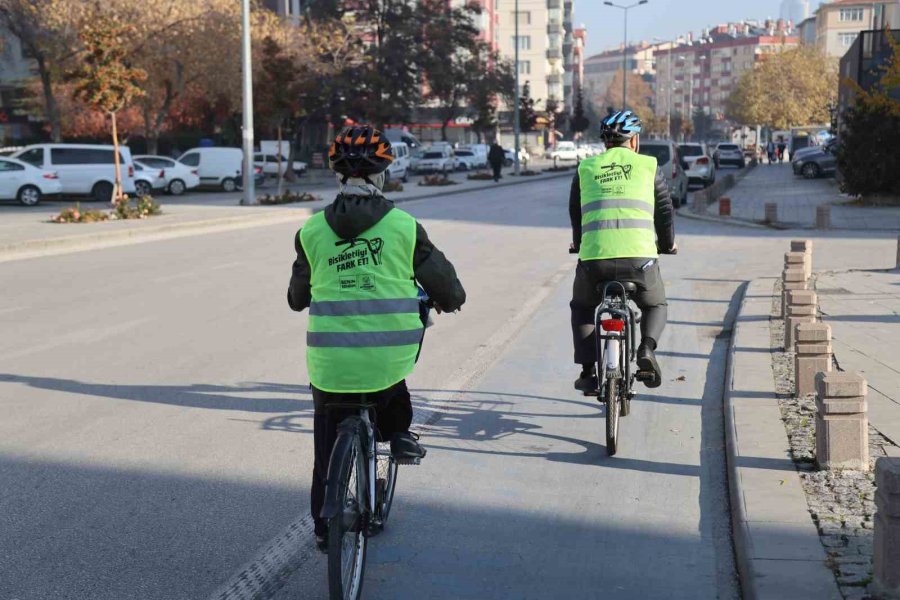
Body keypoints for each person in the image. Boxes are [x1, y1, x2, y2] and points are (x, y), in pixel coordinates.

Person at [287, 124, 466, 551]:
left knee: (325, 447)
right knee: (389, 379)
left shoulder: (311, 231)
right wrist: (452, 299)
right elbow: (446, 286)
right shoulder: (404, 226)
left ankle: (322, 527)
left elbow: (297, 298)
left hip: (329, 363)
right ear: (382, 175)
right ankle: (400, 435)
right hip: (389, 359)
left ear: (338, 178)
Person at [568, 110, 676, 392]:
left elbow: (576, 213)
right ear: (634, 140)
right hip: (640, 262)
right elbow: (664, 212)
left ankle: (588, 371)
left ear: (605, 142)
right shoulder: (649, 166)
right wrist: (667, 245)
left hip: (594, 262)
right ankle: (646, 349)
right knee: (655, 304)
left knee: (582, 308)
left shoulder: (586, 168)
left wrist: (579, 244)